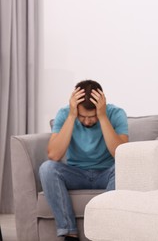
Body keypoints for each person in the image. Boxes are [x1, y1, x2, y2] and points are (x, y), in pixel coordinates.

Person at [39, 80, 128, 241]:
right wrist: (72, 115)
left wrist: (102, 117)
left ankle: (102, 231)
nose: (87, 121)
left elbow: (121, 154)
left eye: (92, 116)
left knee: (124, 168)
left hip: (106, 173)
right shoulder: (65, 114)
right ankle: (69, 233)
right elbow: (54, 155)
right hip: (76, 174)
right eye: (82, 116)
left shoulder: (116, 114)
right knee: (47, 168)